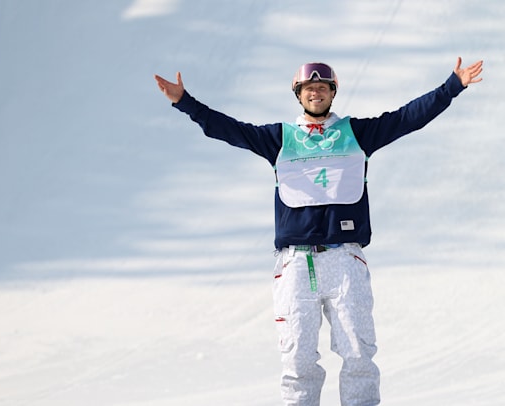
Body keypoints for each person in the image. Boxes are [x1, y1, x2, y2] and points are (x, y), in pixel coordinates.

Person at [154, 57, 483, 406]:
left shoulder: (356, 133)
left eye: (322, 88)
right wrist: (184, 102)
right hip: (296, 264)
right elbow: (229, 129)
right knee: (297, 360)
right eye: (309, 88)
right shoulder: (280, 138)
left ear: (332, 93)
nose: (316, 93)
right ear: (299, 95)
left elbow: (406, 118)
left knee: (358, 354)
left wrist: (452, 86)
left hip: (345, 260)